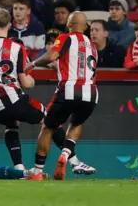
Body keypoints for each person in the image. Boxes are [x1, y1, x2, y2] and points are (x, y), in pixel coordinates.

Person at [0, 8, 95, 175]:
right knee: (50, 122)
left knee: (11, 124)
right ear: (10, 25)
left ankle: (20, 169)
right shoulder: (16, 48)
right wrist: (31, 79)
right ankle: (73, 161)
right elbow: (26, 83)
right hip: (14, 100)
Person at [25, 12, 98, 181]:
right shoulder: (92, 46)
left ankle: (37, 172)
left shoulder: (66, 38)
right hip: (91, 92)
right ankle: (66, 154)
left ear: (68, 24)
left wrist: (32, 63)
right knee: (76, 122)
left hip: (69, 88)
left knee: (48, 127)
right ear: (86, 27)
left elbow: (51, 55)